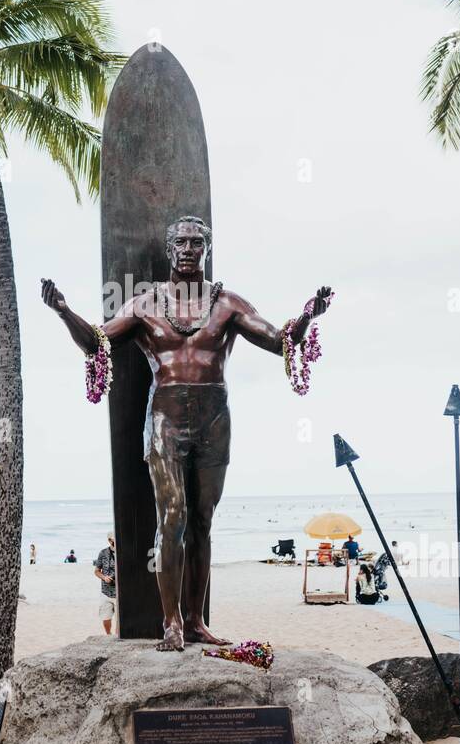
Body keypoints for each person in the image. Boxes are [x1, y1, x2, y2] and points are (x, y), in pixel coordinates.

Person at [42, 220, 332, 651]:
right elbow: (98, 344)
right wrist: (64, 311)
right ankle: (172, 623)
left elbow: (278, 341)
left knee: (202, 522)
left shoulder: (228, 304)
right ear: (169, 248)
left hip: (215, 418)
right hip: (166, 419)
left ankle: (196, 621)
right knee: (173, 515)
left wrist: (307, 316)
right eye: (182, 242)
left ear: (208, 250)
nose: (190, 249)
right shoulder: (144, 305)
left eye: (198, 243)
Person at [94, 533, 116, 635]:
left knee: (120, 619)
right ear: (109, 540)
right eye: (113, 540)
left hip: (120, 593)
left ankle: (117, 635)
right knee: (106, 618)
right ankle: (108, 635)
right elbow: (97, 571)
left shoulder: (124, 552)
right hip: (105, 592)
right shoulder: (103, 553)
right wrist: (104, 577)